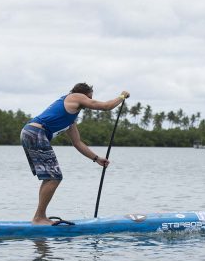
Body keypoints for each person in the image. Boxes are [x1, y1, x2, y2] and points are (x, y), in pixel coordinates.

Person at [21, 83, 130, 225]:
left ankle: (39, 217)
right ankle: (39, 218)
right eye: (91, 95)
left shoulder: (70, 118)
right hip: (36, 133)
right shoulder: (75, 96)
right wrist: (122, 96)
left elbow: (77, 143)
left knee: (50, 177)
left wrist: (96, 158)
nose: (91, 99)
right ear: (86, 94)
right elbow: (105, 107)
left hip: (30, 133)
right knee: (54, 177)